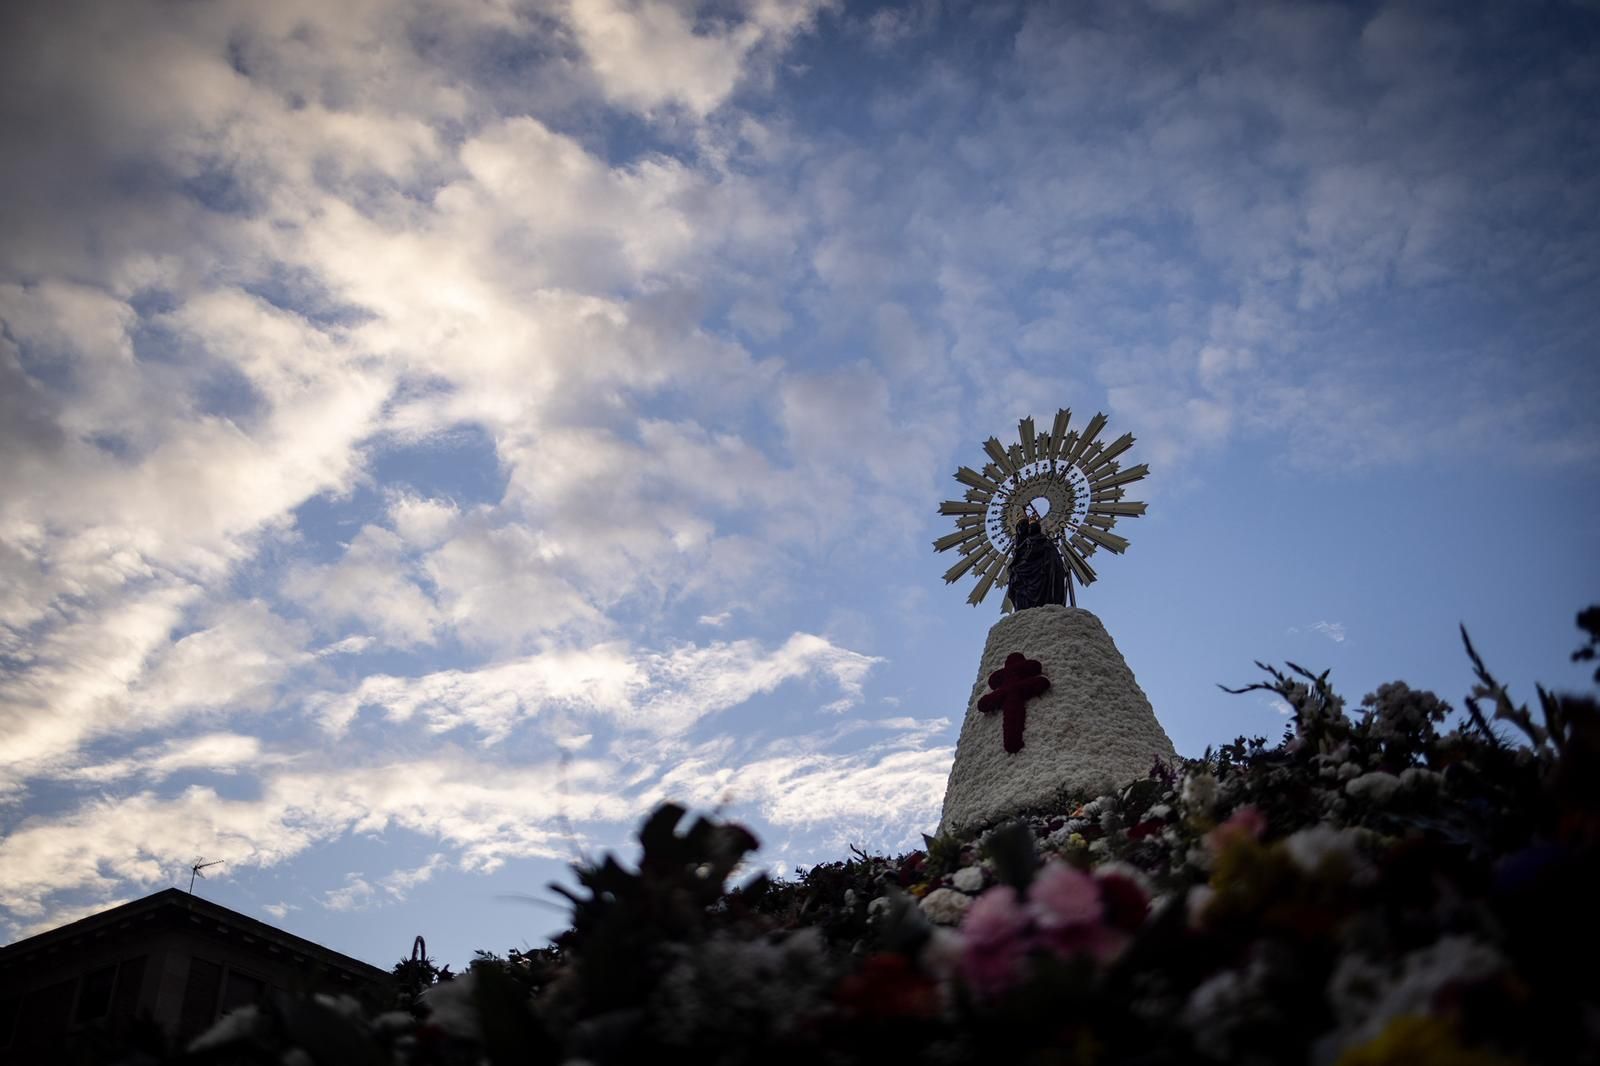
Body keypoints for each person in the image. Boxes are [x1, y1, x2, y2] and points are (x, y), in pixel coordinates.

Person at [1008, 513, 1067, 610]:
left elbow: (1050, 559)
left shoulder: (1042, 541)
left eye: (1023, 526)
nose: (1020, 530)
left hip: (1041, 572)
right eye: (1019, 528)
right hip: (1023, 578)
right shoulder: (1020, 547)